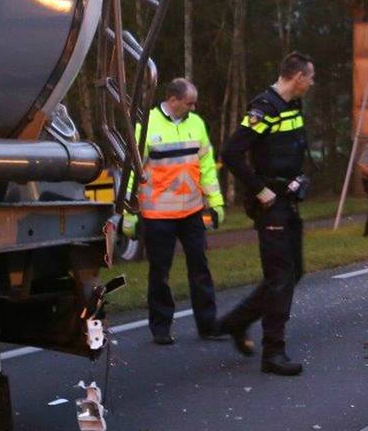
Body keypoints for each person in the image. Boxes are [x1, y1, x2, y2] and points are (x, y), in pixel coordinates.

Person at [216, 52, 315, 376]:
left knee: (293, 271)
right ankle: (273, 352)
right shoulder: (264, 108)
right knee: (281, 277)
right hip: (270, 205)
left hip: (289, 200)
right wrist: (260, 189)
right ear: (298, 77)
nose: (311, 84)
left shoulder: (293, 106)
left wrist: (300, 177)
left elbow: (293, 147)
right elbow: (231, 152)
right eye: (310, 78)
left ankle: (235, 321)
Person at [127, 77, 225, 345]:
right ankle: (160, 328)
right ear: (172, 100)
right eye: (188, 103)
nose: (193, 108)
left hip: (192, 211)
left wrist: (215, 202)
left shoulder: (196, 124)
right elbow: (131, 173)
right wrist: (128, 212)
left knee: (200, 268)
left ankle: (208, 325)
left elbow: (205, 165)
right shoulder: (146, 126)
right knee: (160, 271)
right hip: (158, 215)